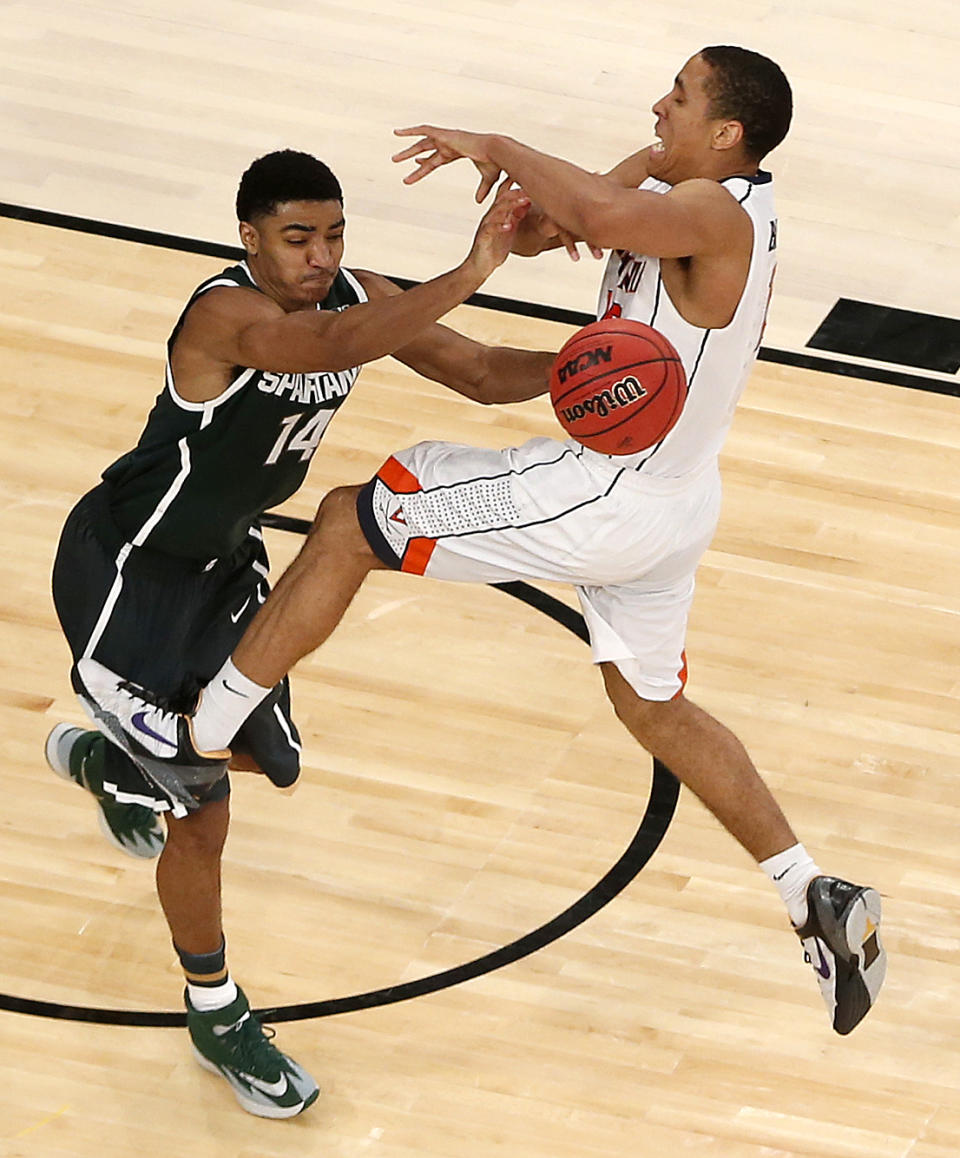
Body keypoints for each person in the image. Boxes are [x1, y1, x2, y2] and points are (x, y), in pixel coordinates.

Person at [72, 48, 886, 1038]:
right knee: (655, 707)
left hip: (606, 493)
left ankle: (187, 743)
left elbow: (599, 219)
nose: (659, 104)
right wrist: (520, 228)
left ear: (727, 133)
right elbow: (560, 228)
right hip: (672, 502)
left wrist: (497, 147)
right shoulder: (674, 183)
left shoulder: (716, 213)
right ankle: (809, 889)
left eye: (681, 97)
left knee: (349, 523)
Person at [46, 148, 554, 1118]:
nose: (321, 258)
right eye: (296, 238)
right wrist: (475, 264)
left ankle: (105, 764)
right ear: (249, 239)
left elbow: (484, 373)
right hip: (130, 573)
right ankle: (216, 1009)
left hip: (226, 568)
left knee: (265, 759)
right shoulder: (223, 314)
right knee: (200, 811)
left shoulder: (359, 297)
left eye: (333, 236)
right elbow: (328, 348)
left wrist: (597, 372)